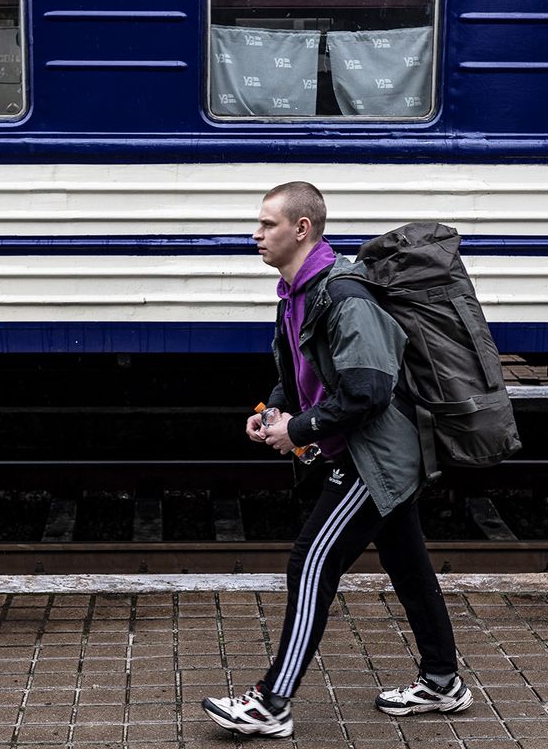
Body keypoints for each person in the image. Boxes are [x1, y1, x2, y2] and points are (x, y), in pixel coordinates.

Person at [201, 182, 472, 739]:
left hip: (377, 458)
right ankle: (443, 681)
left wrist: (298, 431)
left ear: (301, 229)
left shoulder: (344, 296)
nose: (255, 235)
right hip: (367, 450)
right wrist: (275, 409)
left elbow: (368, 391)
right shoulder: (297, 291)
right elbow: (304, 374)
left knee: (311, 561)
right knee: (408, 563)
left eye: (266, 225)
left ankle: (272, 703)